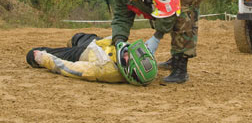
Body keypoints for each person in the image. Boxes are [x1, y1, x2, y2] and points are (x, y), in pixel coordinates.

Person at [111, 0, 204, 84]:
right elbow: (121, 17)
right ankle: (174, 60)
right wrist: (120, 43)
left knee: (182, 17)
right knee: (165, 17)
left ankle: (180, 67)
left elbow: (169, 11)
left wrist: (156, 38)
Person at [26, 33, 158, 85]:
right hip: (98, 43)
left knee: (31, 55)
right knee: (76, 37)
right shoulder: (128, 54)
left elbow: (69, 68)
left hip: (83, 53)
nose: (126, 51)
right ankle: (73, 41)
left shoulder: (102, 69)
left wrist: (43, 58)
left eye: (127, 56)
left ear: (127, 69)